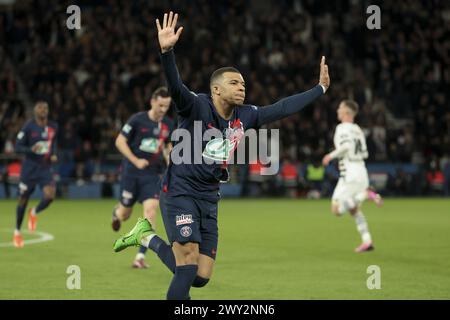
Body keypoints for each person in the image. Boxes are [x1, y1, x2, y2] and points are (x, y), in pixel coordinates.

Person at [113, 11, 330, 299]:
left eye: (243, 83)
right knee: (187, 264)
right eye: (234, 83)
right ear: (216, 89)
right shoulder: (195, 106)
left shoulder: (246, 115)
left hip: (209, 197)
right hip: (180, 191)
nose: (242, 87)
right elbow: (176, 87)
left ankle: (146, 236)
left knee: (200, 277)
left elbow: (281, 108)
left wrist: (320, 88)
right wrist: (167, 53)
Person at [111, 87, 173, 268]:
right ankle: (116, 213)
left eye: (166, 106)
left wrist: (171, 163)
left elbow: (167, 147)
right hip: (132, 172)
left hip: (152, 174)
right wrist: (136, 160)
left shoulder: (168, 124)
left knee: (151, 211)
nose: (163, 109)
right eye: (160, 105)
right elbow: (119, 142)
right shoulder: (137, 120)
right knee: (124, 214)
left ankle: (140, 257)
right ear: (152, 102)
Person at [322, 100, 383, 253]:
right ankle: (367, 241)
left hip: (350, 173)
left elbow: (346, 146)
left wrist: (330, 155)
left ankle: (365, 194)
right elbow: (365, 153)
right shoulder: (358, 129)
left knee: (336, 209)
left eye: (340, 108)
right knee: (353, 209)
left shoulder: (342, 128)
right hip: (361, 170)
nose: (337, 110)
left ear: (347, 113)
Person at [13, 101, 58, 248]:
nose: (43, 110)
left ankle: (34, 211)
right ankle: (17, 232)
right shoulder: (28, 126)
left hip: (45, 168)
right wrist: (32, 149)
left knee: (50, 195)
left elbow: (53, 143)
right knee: (23, 199)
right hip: (29, 169)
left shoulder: (53, 127)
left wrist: (54, 154)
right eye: (40, 107)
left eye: (45, 107)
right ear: (35, 111)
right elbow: (17, 146)